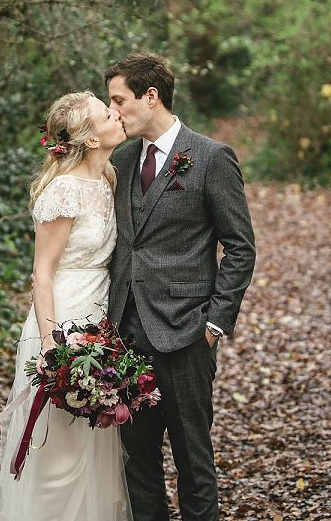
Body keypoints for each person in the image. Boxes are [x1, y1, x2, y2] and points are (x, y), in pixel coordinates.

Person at [104, 53, 256, 521]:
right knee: (139, 463)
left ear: (151, 96)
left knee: (194, 462)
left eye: (119, 100)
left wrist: (214, 322)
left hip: (187, 334)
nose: (113, 113)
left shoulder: (211, 157)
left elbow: (240, 247)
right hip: (126, 335)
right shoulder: (122, 159)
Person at [0, 91, 132, 521]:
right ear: (89, 139)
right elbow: (42, 274)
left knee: (94, 445)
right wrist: (53, 343)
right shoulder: (64, 189)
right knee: (59, 452)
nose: (118, 114)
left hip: (100, 319)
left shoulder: (108, 177)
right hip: (61, 323)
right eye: (108, 113)